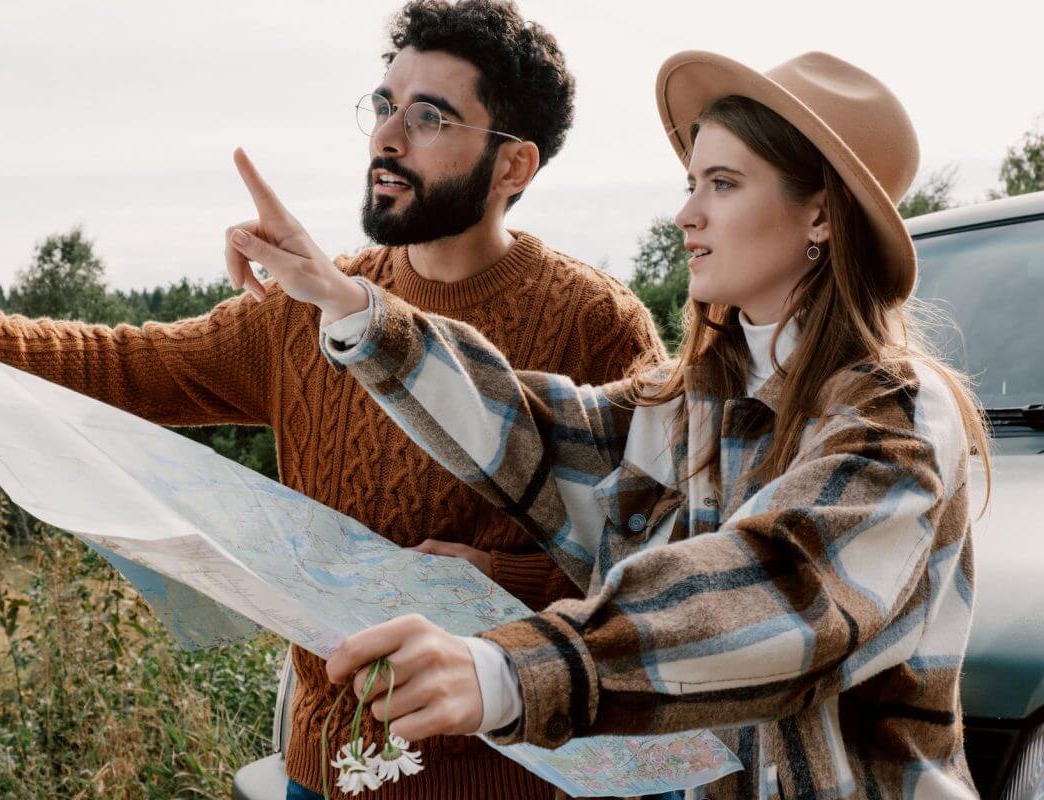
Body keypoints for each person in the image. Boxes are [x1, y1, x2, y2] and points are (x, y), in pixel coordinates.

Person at [0, 3, 666, 798]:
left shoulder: (595, 322)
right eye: (384, 107)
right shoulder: (312, 306)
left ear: (513, 165)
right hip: (319, 768)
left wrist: (501, 575)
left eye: (428, 117)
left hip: (517, 780)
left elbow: (663, 560)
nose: (385, 137)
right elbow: (124, 364)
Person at [214, 51, 991, 798]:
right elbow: (537, 432)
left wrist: (505, 672)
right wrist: (343, 302)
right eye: (691, 182)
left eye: (722, 183)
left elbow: (785, 595)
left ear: (819, 214)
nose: (686, 214)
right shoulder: (694, 403)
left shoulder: (895, 414)